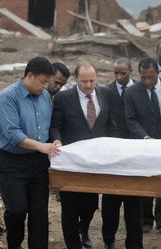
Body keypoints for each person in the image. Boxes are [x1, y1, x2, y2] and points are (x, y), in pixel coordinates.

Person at [50, 63, 118, 249]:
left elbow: (110, 124)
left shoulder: (105, 94)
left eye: (92, 80)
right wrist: (56, 140)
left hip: (95, 162)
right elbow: (55, 125)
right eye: (84, 81)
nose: (88, 85)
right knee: (70, 208)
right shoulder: (63, 98)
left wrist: (114, 145)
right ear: (75, 79)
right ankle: (74, 245)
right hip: (71, 161)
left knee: (90, 205)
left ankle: (84, 229)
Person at [0, 57, 60, 249]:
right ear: (30, 76)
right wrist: (41, 146)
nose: (45, 87)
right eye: (42, 82)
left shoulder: (44, 96)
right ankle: (14, 244)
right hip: (12, 162)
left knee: (39, 211)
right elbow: (12, 133)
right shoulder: (8, 97)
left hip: (38, 163)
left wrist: (54, 140)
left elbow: (49, 125)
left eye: (47, 83)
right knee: (17, 210)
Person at [125, 57, 161, 235]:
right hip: (145, 145)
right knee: (147, 182)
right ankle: (146, 220)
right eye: (143, 77)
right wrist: (145, 137)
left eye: (151, 77)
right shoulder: (131, 92)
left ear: (158, 73)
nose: (147, 81)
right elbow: (131, 120)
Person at [102, 57, 143, 249]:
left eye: (123, 74)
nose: (119, 77)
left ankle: (134, 243)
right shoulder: (106, 91)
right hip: (114, 153)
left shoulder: (141, 89)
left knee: (135, 203)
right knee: (111, 202)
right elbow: (106, 119)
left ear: (131, 71)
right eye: (116, 73)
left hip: (136, 153)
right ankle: (109, 239)